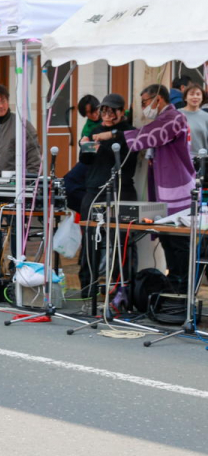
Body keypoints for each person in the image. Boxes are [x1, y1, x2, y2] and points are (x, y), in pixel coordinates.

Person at [126, 84, 196, 289]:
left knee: (179, 243)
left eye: (145, 102)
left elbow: (152, 135)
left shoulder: (174, 118)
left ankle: (182, 292)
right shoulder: (164, 119)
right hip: (166, 191)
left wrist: (117, 136)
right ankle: (173, 289)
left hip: (178, 189)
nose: (144, 107)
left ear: (158, 99)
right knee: (167, 241)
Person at [0, 84, 42, 274]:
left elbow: (34, 154)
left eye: (3, 101)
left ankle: (17, 266)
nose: (1, 105)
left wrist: (30, 180)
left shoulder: (21, 123)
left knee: (16, 227)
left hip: (14, 184)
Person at [77, 95, 137, 299]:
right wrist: (85, 145)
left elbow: (127, 150)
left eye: (112, 111)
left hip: (121, 190)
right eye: (104, 111)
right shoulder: (94, 130)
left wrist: (106, 140)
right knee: (90, 239)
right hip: (94, 189)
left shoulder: (128, 132)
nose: (107, 115)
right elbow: (85, 160)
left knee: (121, 241)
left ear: (121, 112)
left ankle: (121, 288)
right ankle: (88, 286)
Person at [180, 83, 208, 157]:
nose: (195, 97)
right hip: (181, 158)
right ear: (185, 98)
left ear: (202, 98)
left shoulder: (206, 117)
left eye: (198, 94)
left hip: (201, 159)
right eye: (191, 94)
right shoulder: (177, 115)